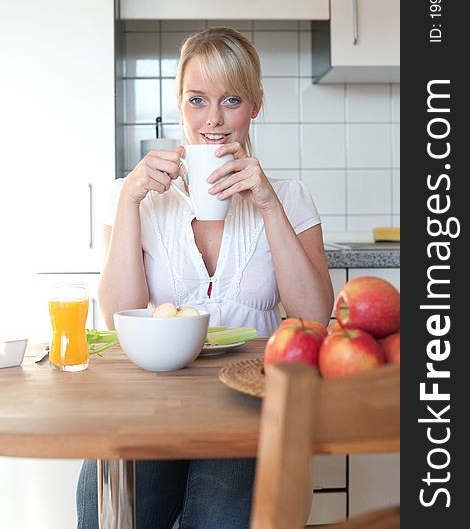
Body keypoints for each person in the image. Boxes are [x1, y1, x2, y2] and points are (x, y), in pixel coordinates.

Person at [76, 26, 334, 529]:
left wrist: (266, 203)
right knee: (105, 507)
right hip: (151, 399)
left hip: (249, 401)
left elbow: (314, 318)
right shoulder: (135, 196)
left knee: (223, 515)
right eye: (197, 100)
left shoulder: (290, 197)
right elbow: (117, 314)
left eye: (231, 100)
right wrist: (130, 200)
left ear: (255, 105)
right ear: (180, 104)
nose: (213, 120)